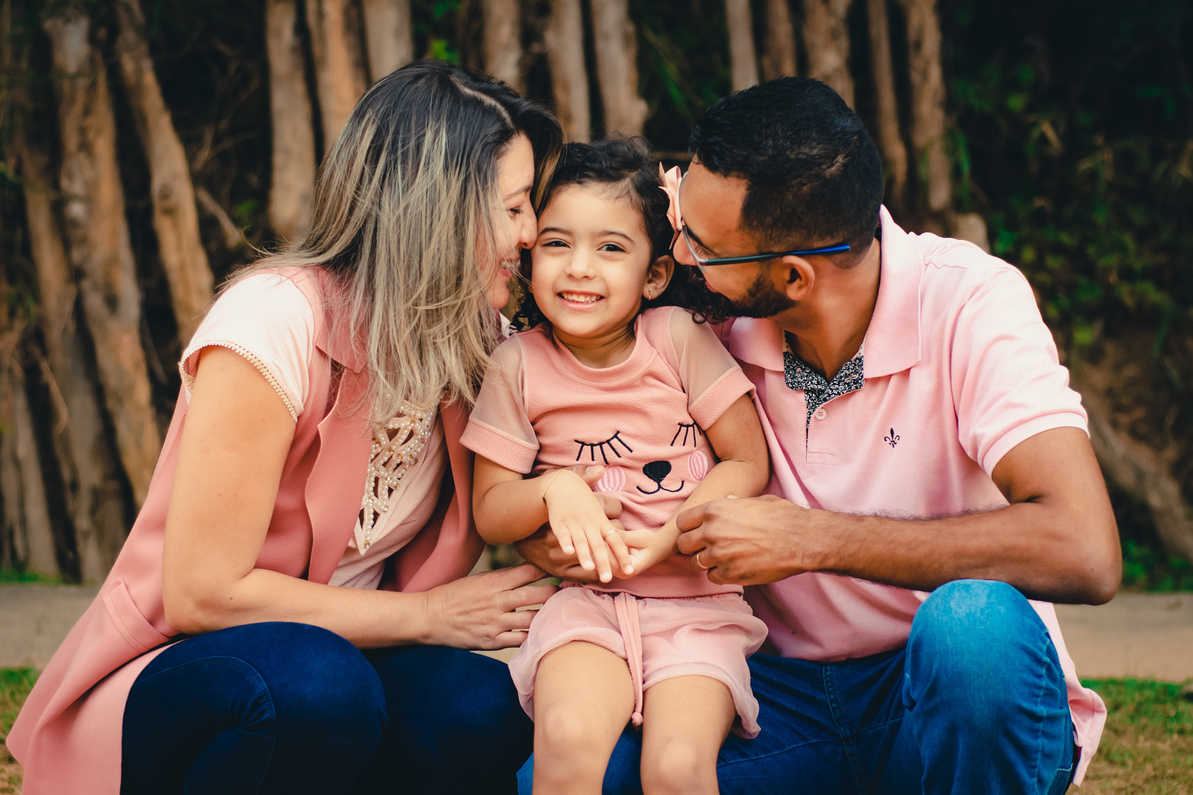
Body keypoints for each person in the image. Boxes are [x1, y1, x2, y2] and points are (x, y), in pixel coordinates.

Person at [520, 78, 1122, 794]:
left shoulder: (968, 302)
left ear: (793, 277)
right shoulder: (700, 311)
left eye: (699, 242)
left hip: (934, 695)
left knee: (975, 627)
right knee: (597, 775)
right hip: (781, 700)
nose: (678, 254)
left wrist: (814, 539)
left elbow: (1085, 549)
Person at [8, 60, 566, 795]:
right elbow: (205, 593)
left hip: (353, 666)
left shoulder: (482, 343)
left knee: (477, 704)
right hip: (185, 667)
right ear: (436, 204)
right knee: (316, 687)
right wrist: (428, 613)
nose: (532, 233)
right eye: (517, 205)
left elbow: (605, 402)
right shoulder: (275, 319)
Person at [463, 139, 771, 794]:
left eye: (610, 248)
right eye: (555, 244)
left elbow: (748, 460)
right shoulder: (516, 365)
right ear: (528, 256)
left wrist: (670, 538)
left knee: (677, 767)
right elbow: (490, 510)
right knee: (570, 739)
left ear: (654, 274)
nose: (579, 268)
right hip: (585, 605)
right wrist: (555, 489)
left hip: (698, 607)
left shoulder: (677, 338)